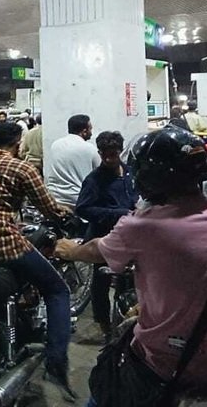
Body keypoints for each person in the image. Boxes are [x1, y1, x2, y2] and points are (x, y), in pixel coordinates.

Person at [56, 127, 207, 405]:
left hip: (174, 368)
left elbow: (96, 250)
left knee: (103, 385)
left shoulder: (143, 227)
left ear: (146, 178)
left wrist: (70, 250)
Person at [0, 122, 75, 398]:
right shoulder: (22, 168)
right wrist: (65, 213)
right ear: (18, 142)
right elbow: (48, 207)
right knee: (57, 291)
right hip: (5, 246)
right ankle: (56, 362)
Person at [74, 131, 138, 340]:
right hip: (104, 237)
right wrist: (118, 213)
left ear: (120, 151)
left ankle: (125, 319)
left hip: (130, 237)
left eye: (113, 154)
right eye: (105, 154)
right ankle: (103, 323)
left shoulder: (131, 174)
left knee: (129, 280)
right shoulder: (94, 180)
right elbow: (83, 208)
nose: (109, 159)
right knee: (101, 282)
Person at [45, 114, 100, 207]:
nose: (91, 132)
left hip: (54, 199)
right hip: (78, 200)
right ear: (84, 131)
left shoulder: (55, 145)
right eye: (90, 129)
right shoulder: (90, 149)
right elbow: (101, 173)